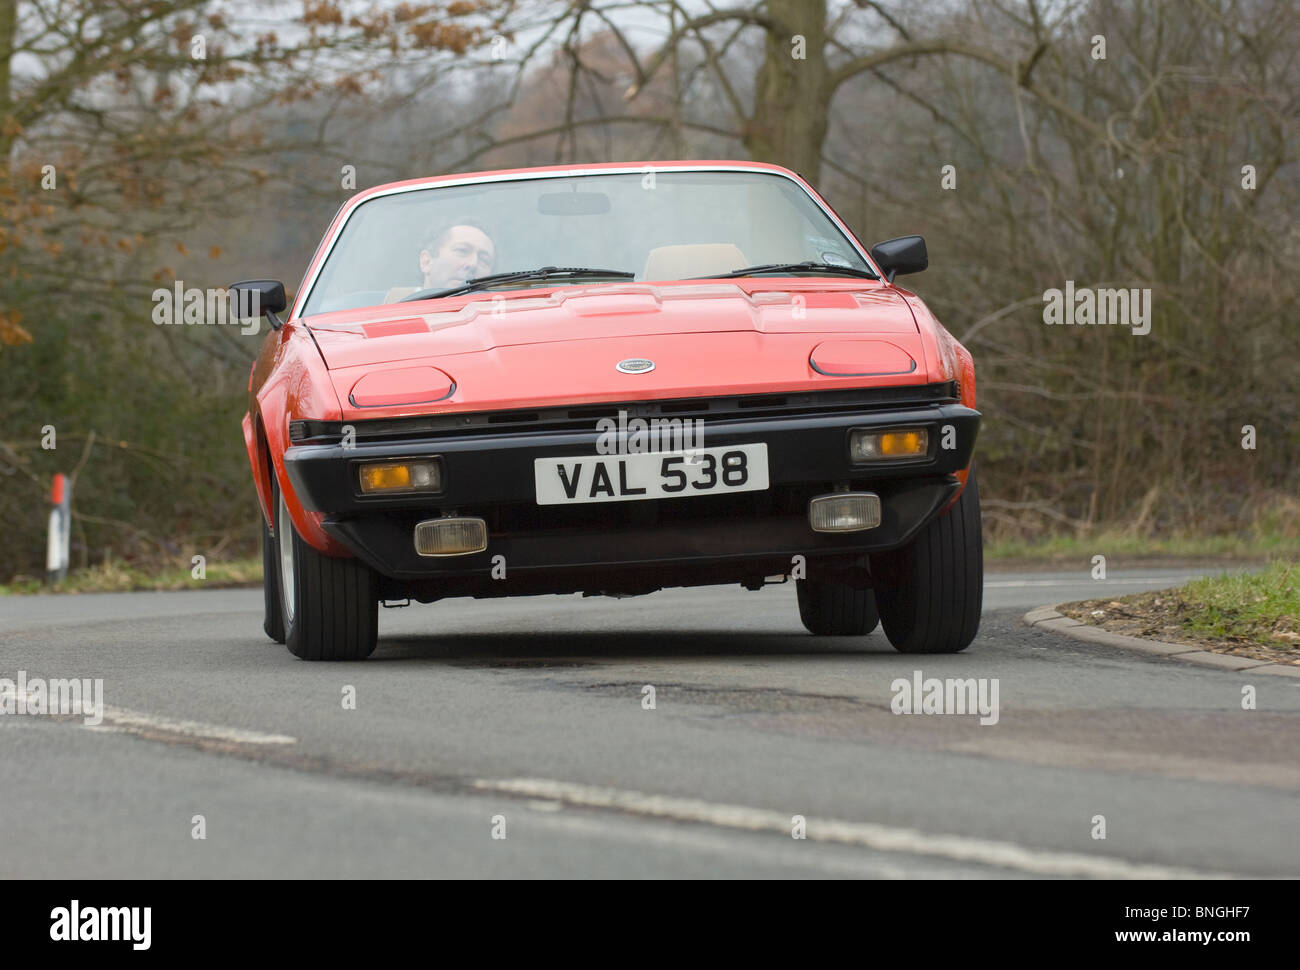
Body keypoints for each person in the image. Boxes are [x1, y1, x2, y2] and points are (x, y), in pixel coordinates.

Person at [418, 219, 496, 291]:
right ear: (426, 262)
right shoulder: (406, 305)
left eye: (484, 260)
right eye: (462, 250)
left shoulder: (504, 305)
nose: (473, 264)